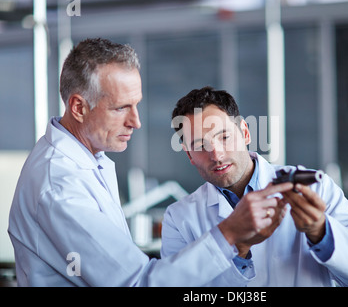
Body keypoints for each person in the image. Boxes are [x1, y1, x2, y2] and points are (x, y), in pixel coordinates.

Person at [8, 39, 293, 287]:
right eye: (121, 108)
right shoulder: (59, 184)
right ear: (79, 107)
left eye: (136, 105)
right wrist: (230, 234)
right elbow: (136, 283)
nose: (136, 121)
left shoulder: (89, 159)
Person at [162, 86, 348, 287]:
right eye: (200, 145)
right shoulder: (180, 218)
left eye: (224, 137)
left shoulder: (315, 188)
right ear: (189, 154)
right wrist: (239, 249)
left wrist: (322, 233)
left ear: (245, 132)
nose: (217, 155)